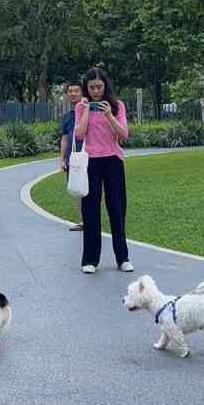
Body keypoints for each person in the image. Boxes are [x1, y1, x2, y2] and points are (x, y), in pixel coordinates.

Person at [73, 66, 133, 275]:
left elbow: (124, 134)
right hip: (91, 162)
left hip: (113, 160)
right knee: (90, 211)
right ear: (86, 88)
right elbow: (79, 135)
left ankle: (122, 258)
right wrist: (87, 110)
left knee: (117, 208)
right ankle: (90, 259)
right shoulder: (82, 107)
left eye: (99, 87)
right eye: (91, 88)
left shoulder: (117, 106)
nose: (96, 91)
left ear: (105, 85)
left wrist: (109, 115)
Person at [59, 81, 85, 231]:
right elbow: (64, 138)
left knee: (91, 190)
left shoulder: (89, 111)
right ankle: (83, 221)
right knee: (77, 190)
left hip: (89, 157)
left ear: (82, 92)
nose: (73, 93)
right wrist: (62, 159)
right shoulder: (68, 116)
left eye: (76, 91)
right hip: (73, 159)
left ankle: (92, 220)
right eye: (70, 91)